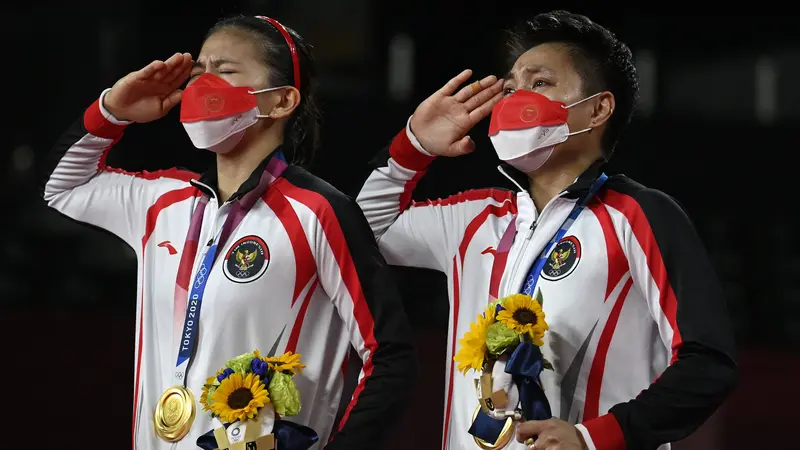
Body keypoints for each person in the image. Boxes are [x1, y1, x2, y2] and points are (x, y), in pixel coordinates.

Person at [356, 10, 737, 450]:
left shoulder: (638, 215)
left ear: (598, 108)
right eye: (511, 87)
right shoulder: (473, 218)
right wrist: (412, 149)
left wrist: (594, 438)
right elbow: (363, 235)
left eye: (539, 83)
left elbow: (708, 363)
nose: (515, 98)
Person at [43, 14, 416, 450]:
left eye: (226, 70)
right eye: (199, 72)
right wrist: (111, 112)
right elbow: (62, 186)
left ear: (280, 101)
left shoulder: (319, 211)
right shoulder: (163, 201)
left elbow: (390, 353)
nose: (204, 85)